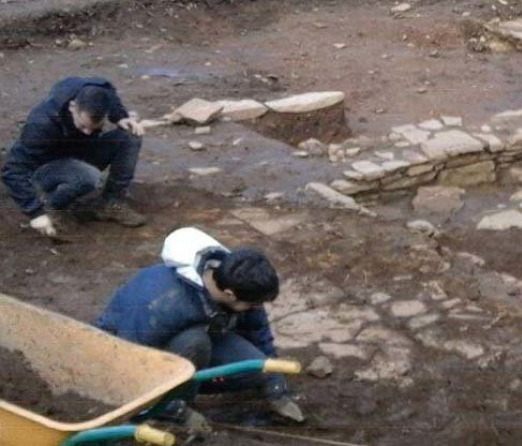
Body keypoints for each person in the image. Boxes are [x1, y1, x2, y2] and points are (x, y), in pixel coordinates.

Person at [95, 227, 305, 429]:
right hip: (129, 353)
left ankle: (188, 384)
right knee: (196, 343)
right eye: (253, 305)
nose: (257, 309)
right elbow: (129, 367)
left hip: (200, 337)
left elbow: (258, 331)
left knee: (256, 370)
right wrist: (176, 411)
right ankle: (169, 406)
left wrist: (275, 382)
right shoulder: (162, 304)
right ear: (230, 294)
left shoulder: (237, 281)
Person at [1, 76, 147, 238]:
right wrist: (35, 212)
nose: (87, 132)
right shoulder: (41, 125)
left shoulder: (98, 93)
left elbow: (108, 91)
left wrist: (120, 117)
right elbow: (12, 170)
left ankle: (111, 202)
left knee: (130, 135)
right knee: (88, 176)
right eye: (82, 126)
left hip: (78, 152)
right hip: (46, 169)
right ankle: (51, 206)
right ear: (72, 107)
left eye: (94, 128)